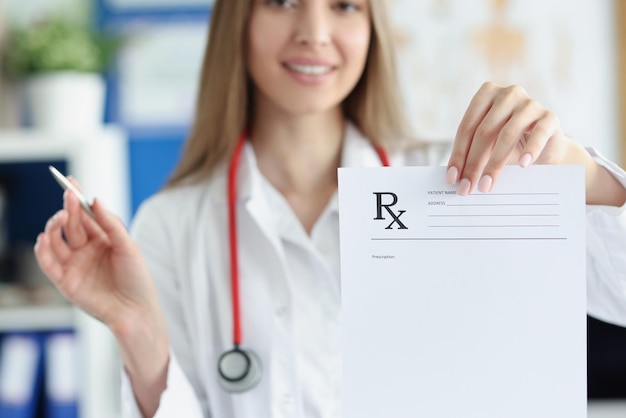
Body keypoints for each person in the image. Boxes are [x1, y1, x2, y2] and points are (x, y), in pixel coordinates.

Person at [34, 0, 626, 417]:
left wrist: (580, 174)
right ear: (237, 20)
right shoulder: (171, 223)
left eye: (345, 4)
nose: (314, 32)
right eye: (282, 0)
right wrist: (138, 328)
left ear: (373, 27)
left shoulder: (469, 177)